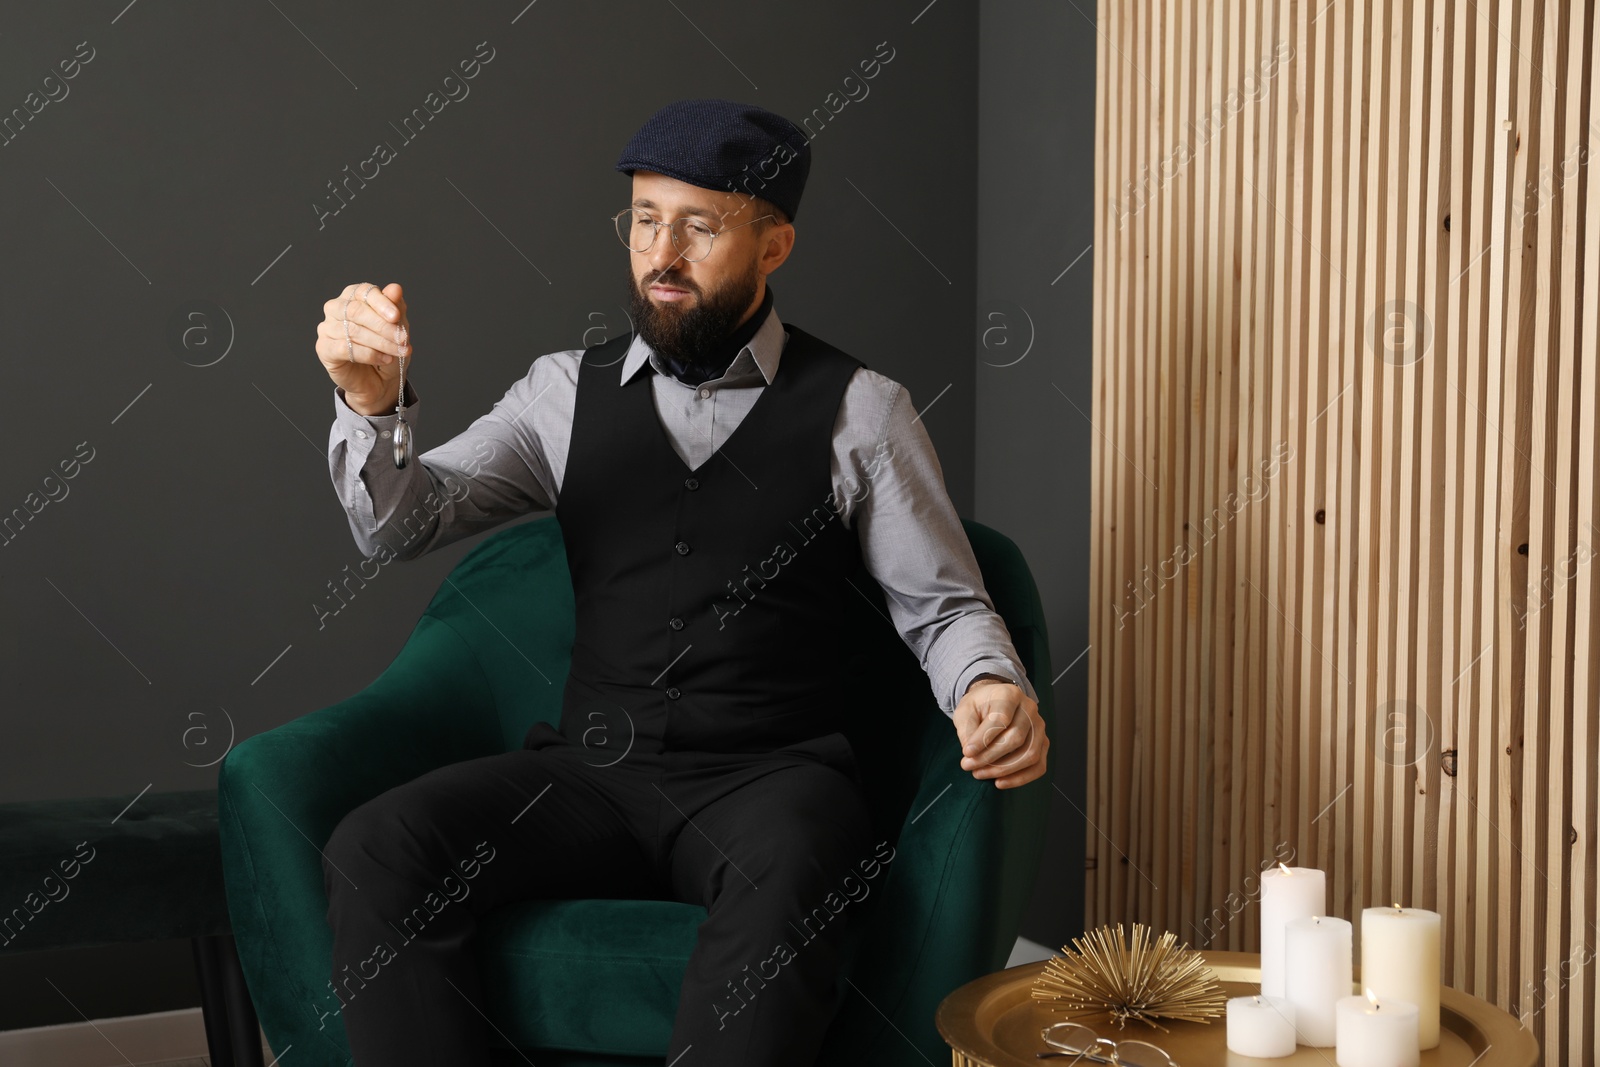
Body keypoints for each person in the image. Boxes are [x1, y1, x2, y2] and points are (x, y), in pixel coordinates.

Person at [310, 97, 1049, 1066]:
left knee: (792, 864)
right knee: (377, 844)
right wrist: (374, 408)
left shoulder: (862, 411)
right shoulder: (559, 392)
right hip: (591, 772)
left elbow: (941, 602)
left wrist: (990, 683)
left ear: (774, 243)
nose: (662, 251)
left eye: (699, 225)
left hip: (770, 777)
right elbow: (402, 526)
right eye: (646, 219)